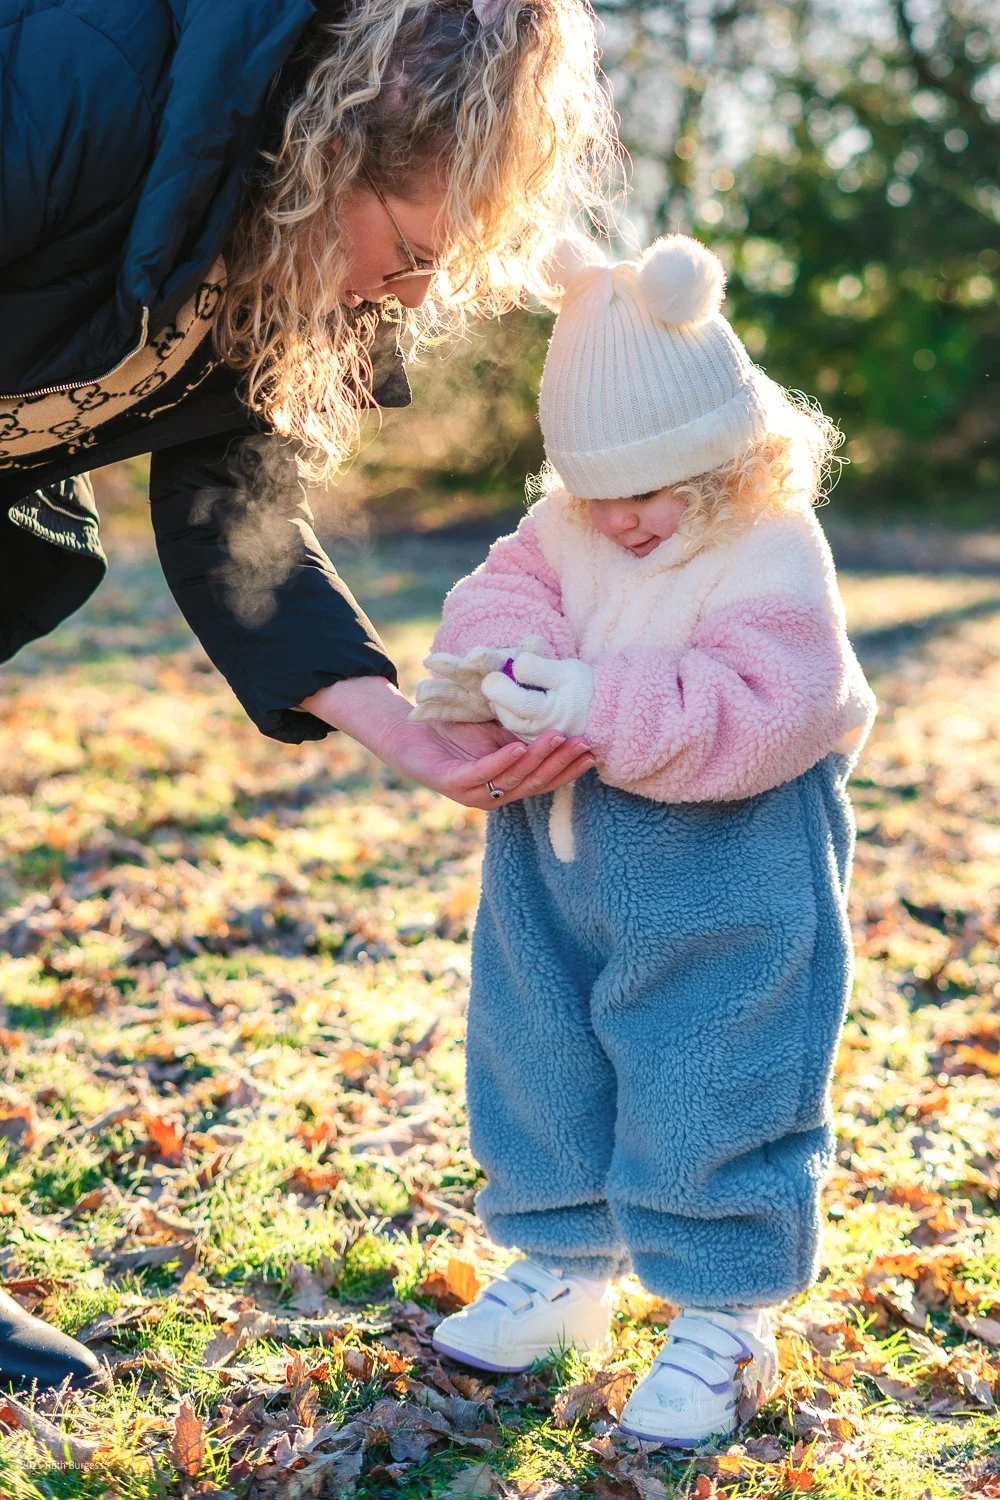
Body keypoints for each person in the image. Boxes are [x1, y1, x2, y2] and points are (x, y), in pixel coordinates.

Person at [0, 0, 619, 1389]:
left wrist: (394, 725)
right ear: (328, 149)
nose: (406, 300)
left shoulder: (283, 264)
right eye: (407, 254)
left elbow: (234, 501)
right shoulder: (77, 84)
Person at [410, 233, 877, 1447]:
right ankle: (563, 1267)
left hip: (729, 853)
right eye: (594, 492)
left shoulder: (771, 547)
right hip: (555, 845)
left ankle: (725, 1310)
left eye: (651, 489)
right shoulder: (568, 527)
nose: (619, 520)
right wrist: (501, 667)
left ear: (727, 456)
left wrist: (593, 700)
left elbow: (770, 704)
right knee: (537, 1040)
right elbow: (497, 595)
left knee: (714, 1060)